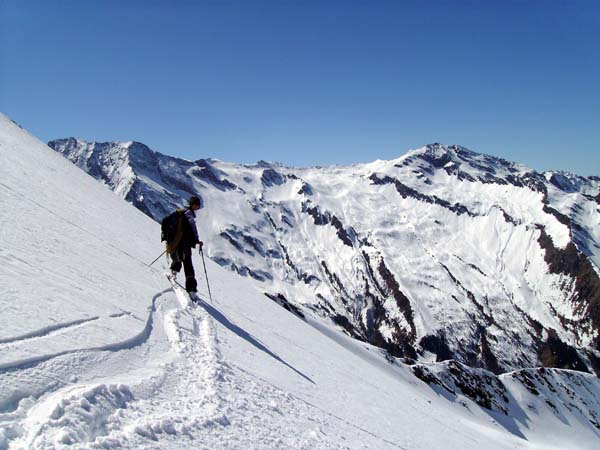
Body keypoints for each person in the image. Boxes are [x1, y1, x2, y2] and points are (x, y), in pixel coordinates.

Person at [166, 196, 203, 293]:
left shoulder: (183, 212)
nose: (198, 208)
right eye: (197, 205)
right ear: (194, 204)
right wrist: (197, 240)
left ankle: (173, 273)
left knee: (179, 257)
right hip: (185, 243)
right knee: (188, 264)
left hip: (178, 241)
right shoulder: (189, 214)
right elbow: (192, 228)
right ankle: (191, 289)